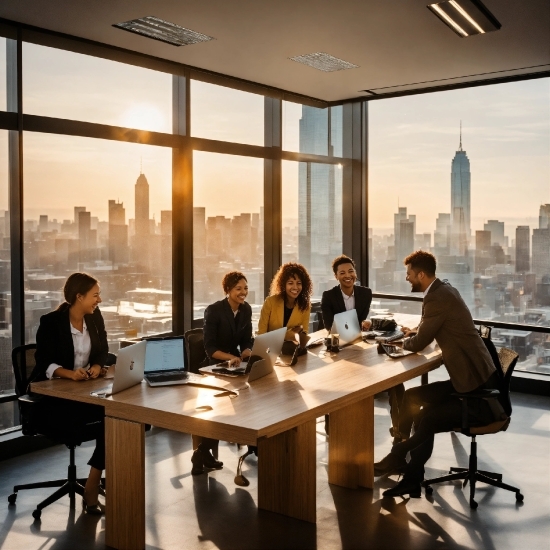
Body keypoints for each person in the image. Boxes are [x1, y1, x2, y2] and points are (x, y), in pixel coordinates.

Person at [374, 251, 502, 498]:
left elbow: (421, 341)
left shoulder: (436, 298)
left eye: (409, 274)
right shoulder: (443, 289)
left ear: (421, 274)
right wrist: (416, 332)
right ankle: (399, 455)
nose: (407, 278)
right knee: (411, 396)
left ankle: (403, 463)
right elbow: (431, 327)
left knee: (427, 419)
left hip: (477, 389)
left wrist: (401, 343)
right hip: (472, 377)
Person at [30, 272, 109, 515]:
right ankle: (93, 486)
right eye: (95, 295)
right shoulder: (51, 322)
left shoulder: (95, 319)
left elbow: (102, 351)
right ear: (79, 297)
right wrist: (69, 373)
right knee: (110, 423)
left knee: (120, 418)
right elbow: (44, 362)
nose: (99, 300)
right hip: (53, 401)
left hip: (84, 392)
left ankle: (93, 479)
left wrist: (96, 366)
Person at [321, 255, 404, 437]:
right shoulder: (328, 296)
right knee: (336, 383)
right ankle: (332, 425)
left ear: (355, 272)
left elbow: (359, 322)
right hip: (339, 349)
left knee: (394, 377)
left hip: (359, 347)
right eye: (342, 273)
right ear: (336, 276)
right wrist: (357, 325)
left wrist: (361, 326)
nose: (347, 275)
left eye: (351, 271)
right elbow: (330, 326)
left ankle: (400, 427)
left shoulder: (365, 294)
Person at [195, 271, 254, 475]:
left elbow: (247, 338)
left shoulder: (246, 310)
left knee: (252, 394)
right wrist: (229, 357)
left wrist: (247, 349)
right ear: (228, 290)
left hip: (235, 364)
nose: (243, 292)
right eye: (238, 288)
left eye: (245, 288)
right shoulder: (214, 311)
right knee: (223, 410)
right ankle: (203, 452)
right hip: (214, 366)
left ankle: (203, 452)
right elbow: (210, 349)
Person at [258, 262, 312, 343]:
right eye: (290, 283)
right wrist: (288, 335)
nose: (295, 287)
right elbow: (261, 334)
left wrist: (278, 334)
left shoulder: (305, 305)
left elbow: (303, 335)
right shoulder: (270, 302)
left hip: (291, 351)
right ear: (283, 284)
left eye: (299, 283)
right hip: (270, 349)